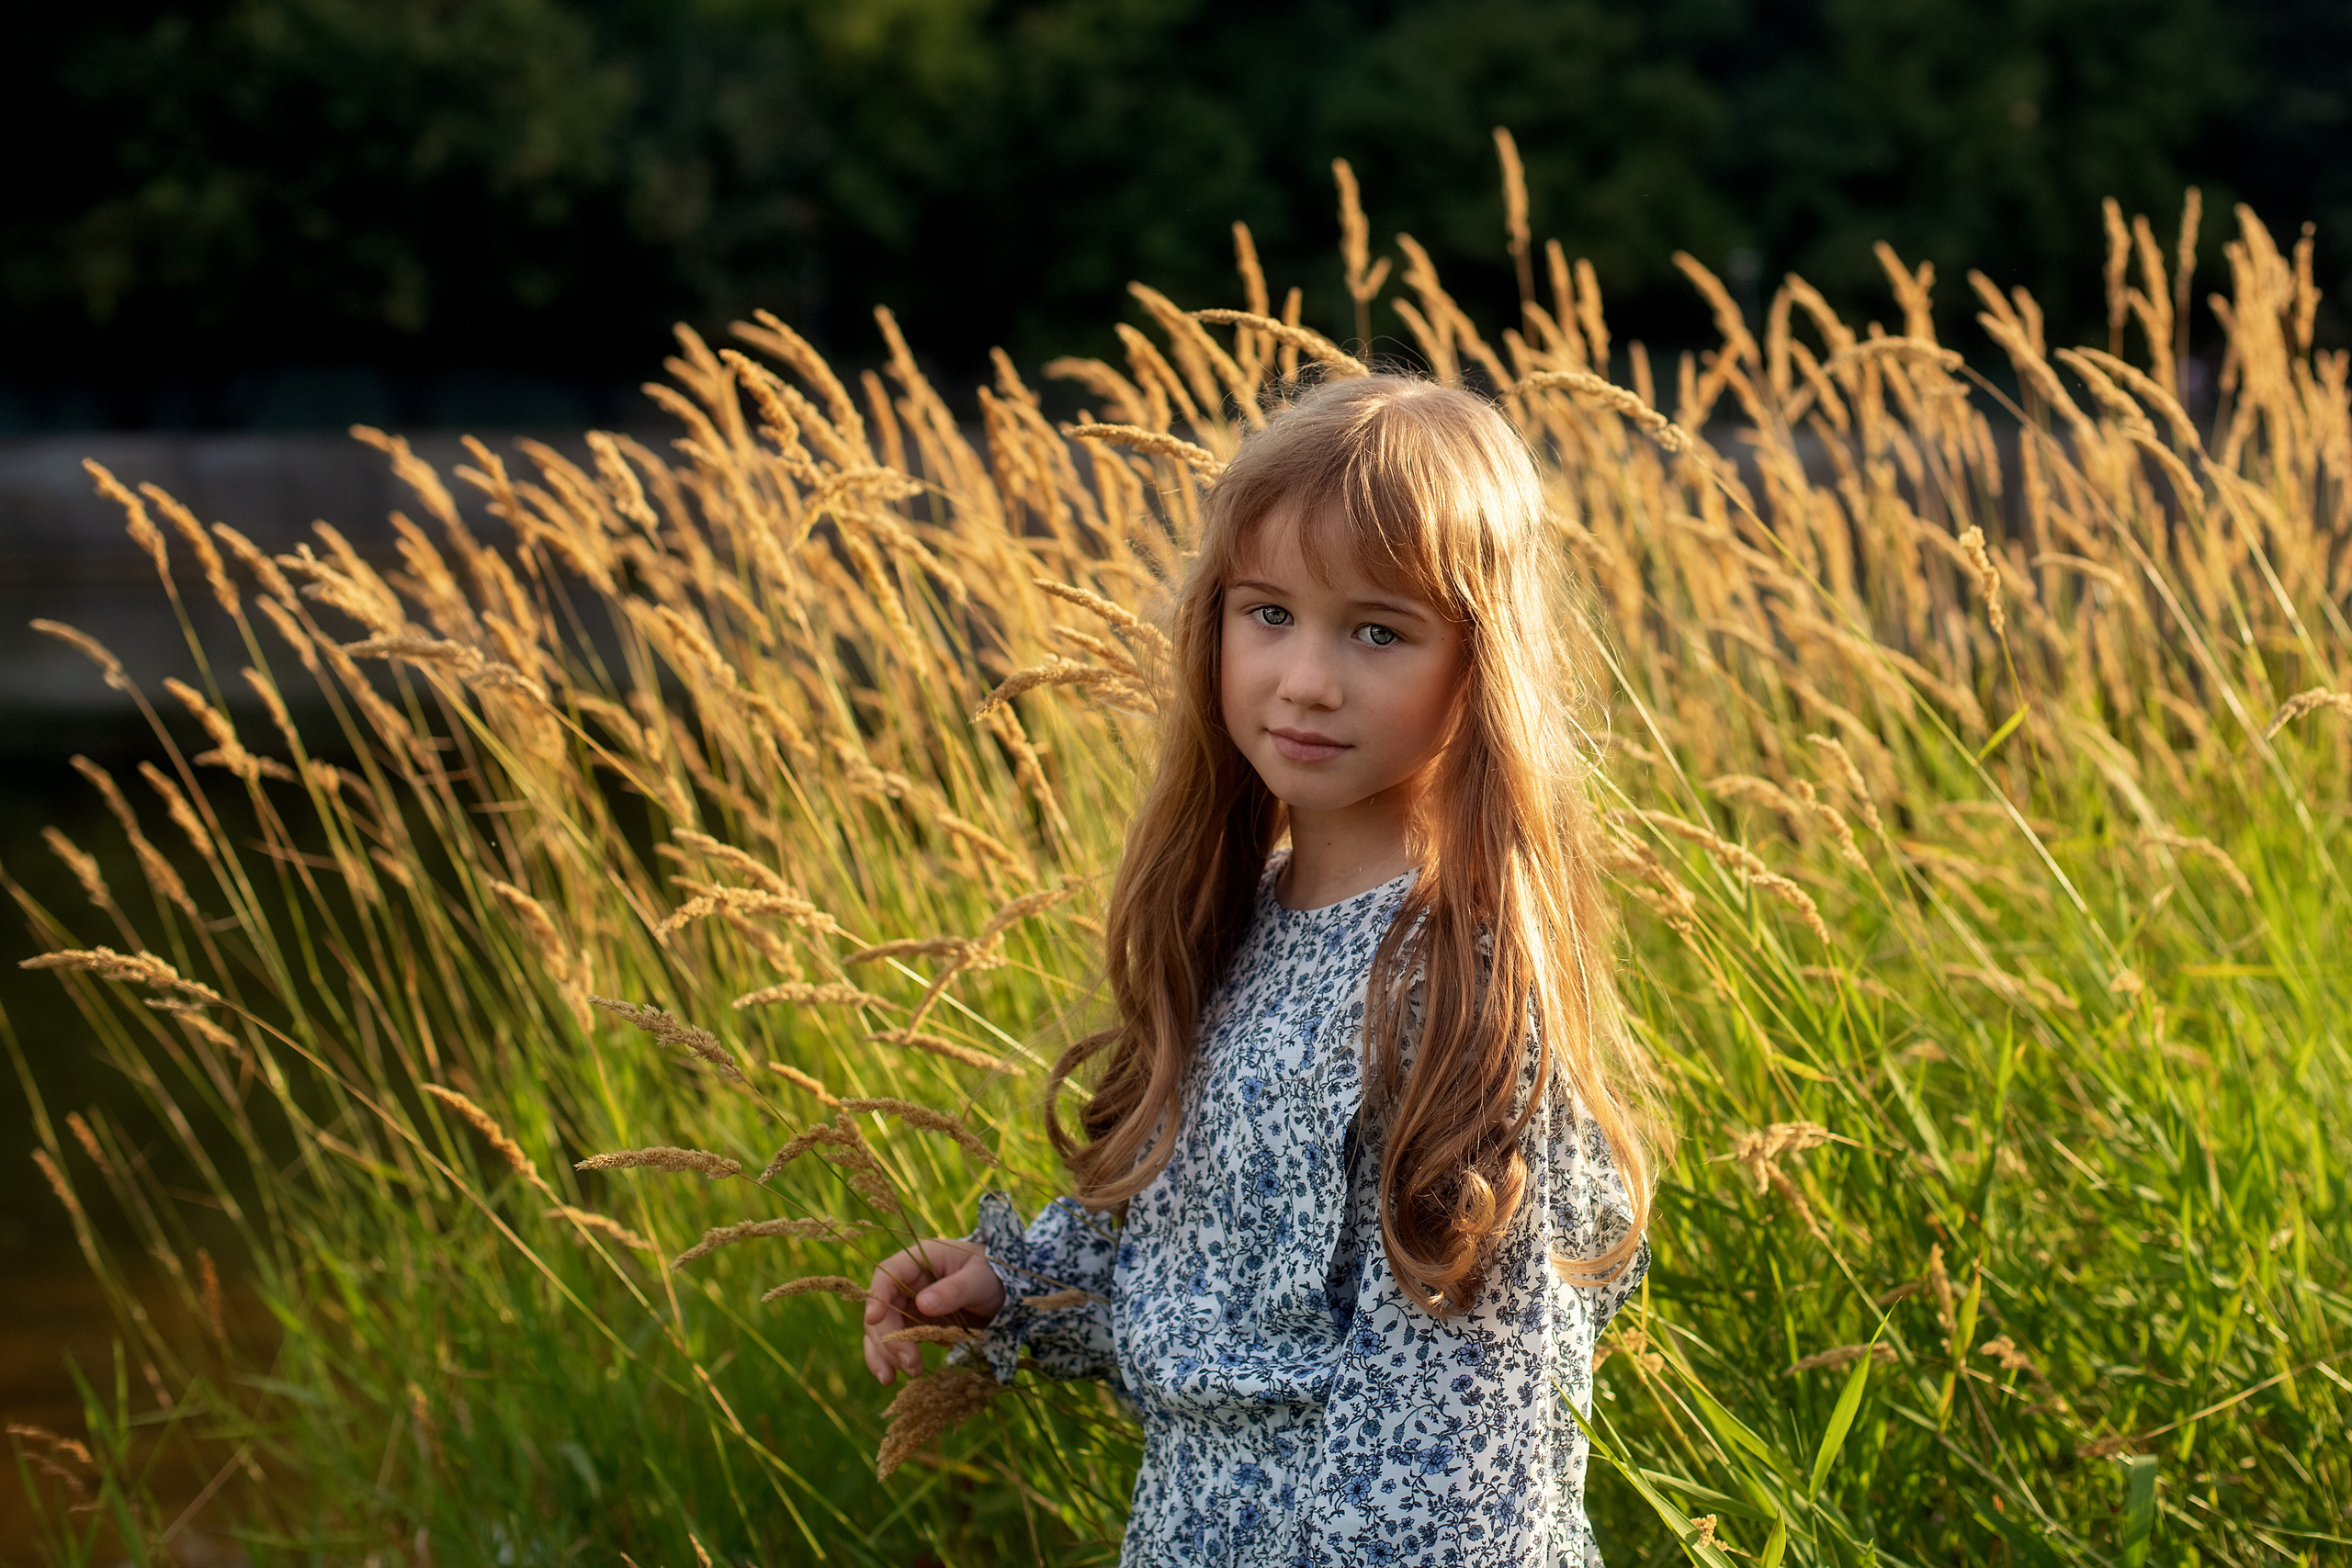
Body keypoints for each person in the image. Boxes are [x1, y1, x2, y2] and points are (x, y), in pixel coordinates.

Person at [861, 374, 1667, 1566]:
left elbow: (1467, 1446)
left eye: (1378, 631)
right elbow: (1212, 1270)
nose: (1306, 680)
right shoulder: (1236, 918)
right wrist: (1019, 1288)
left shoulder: (1452, 985)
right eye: (1270, 613)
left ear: (1477, 663)